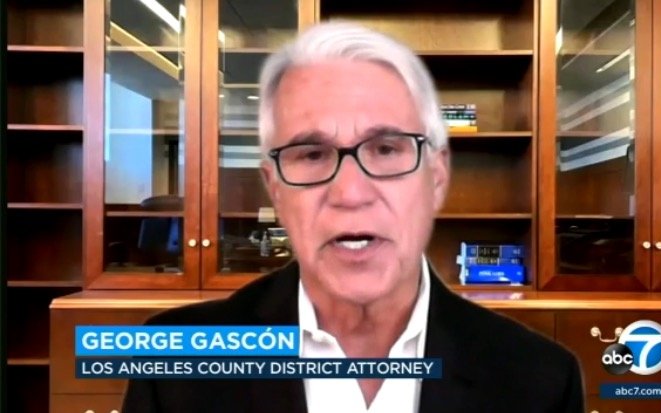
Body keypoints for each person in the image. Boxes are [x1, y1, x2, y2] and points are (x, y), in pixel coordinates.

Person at [122, 21, 584, 413]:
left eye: (386, 149)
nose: (351, 192)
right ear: (275, 188)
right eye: (312, 154)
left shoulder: (541, 381)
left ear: (437, 176)